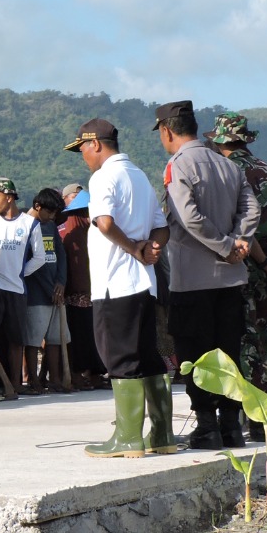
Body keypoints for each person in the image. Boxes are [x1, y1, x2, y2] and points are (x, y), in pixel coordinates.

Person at [155, 100, 259, 450]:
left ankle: (206, 426)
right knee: (229, 352)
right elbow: (251, 208)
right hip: (230, 279)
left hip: (192, 279)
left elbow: (188, 217)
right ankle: (231, 425)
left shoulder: (178, 165)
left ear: (166, 131)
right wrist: (238, 243)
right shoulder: (228, 164)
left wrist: (224, 245)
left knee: (195, 355)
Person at [67, 118, 174, 457]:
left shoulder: (103, 177)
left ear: (95, 144)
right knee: (149, 357)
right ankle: (162, 435)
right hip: (145, 284)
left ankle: (128, 438)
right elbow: (161, 227)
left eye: (82, 149)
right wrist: (150, 247)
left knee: (121, 358)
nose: (83, 156)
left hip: (116, 283)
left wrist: (134, 249)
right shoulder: (139, 176)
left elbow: (103, 222)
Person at [208, 112, 267, 438]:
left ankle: (261, 421)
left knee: (249, 344)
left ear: (220, 141)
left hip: (246, 266)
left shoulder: (226, 172)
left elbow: (243, 228)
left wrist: (264, 264)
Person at [0, 178, 46, 393]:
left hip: (17, 290)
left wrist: (20, 272)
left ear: (9, 197)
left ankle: (15, 384)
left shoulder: (30, 223)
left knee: (16, 340)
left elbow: (40, 257)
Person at [22, 188, 68, 393]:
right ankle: (34, 380)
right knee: (33, 340)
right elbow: (30, 265)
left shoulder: (50, 226)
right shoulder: (26, 225)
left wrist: (61, 282)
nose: (52, 217)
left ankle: (55, 379)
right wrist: (51, 288)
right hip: (37, 294)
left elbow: (61, 254)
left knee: (55, 339)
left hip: (56, 293)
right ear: (37, 206)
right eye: (49, 212)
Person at [58, 190, 100, 390]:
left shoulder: (87, 232)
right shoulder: (73, 232)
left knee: (92, 335)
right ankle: (79, 373)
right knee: (81, 337)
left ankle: (94, 372)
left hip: (91, 293)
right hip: (77, 295)